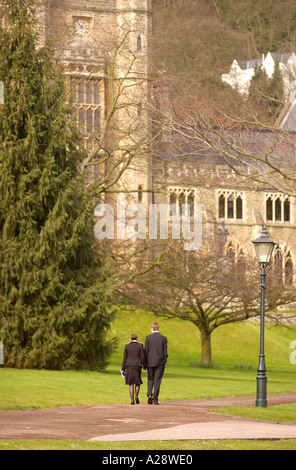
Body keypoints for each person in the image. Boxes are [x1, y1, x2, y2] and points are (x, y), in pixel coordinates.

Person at [145, 322, 168, 405]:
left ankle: (149, 393)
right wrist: (165, 360)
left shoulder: (148, 338)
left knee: (150, 378)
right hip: (160, 362)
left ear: (152, 328)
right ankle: (155, 399)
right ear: (158, 328)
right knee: (157, 380)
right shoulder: (163, 338)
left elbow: (146, 351)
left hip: (150, 361)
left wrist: (145, 363)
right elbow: (165, 351)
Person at [122, 333, 146, 405]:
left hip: (129, 366)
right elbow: (142, 357)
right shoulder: (140, 346)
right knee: (137, 382)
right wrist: (144, 366)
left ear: (130, 339)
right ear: (137, 338)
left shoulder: (127, 346)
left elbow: (124, 358)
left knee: (131, 383)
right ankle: (136, 396)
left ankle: (132, 400)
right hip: (137, 365)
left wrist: (123, 368)